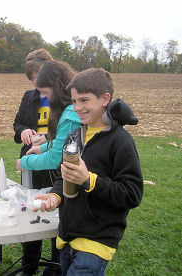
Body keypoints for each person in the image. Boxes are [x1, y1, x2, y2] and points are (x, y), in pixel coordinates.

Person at [36, 68, 143, 275]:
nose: (77, 107)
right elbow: (63, 175)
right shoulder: (74, 136)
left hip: (96, 241)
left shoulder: (120, 141)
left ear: (105, 99)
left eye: (84, 100)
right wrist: (55, 196)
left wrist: (89, 180)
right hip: (69, 236)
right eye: (74, 101)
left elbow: (132, 194)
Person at [15, 58, 80, 276]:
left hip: (68, 185)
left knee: (60, 236)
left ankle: (55, 267)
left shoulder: (70, 114)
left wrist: (23, 162)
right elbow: (59, 144)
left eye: (45, 91)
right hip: (64, 181)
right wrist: (43, 146)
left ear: (56, 86)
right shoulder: (69, 111)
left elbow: (56, 158)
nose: (43, 97)